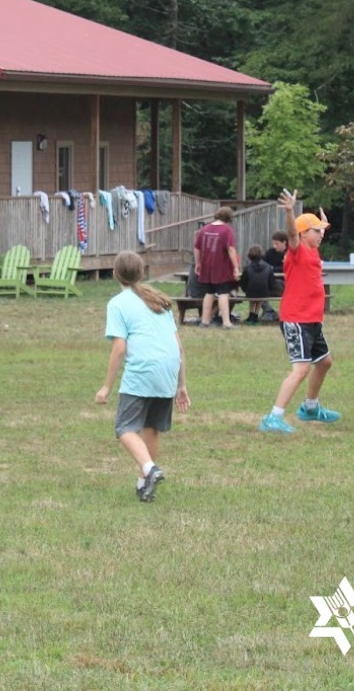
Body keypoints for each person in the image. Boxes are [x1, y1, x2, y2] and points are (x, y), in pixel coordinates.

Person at [95, 251, 189, 503]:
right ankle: (143, 485)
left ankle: (149, 469)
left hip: (143, 371)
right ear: (141, 273)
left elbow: (119, 348)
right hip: (168, 370)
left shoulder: (117, 303)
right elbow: (179, 347)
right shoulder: (159, 300)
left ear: (115, 274)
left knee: (124, 428)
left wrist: (106, 386)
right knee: (151, 427)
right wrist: (182, 385)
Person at [259, 190, 340, 433]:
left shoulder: (312, 249)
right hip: (296, 319)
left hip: (312, 320)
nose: (321, 235)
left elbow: (312, 230)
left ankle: (310, 408)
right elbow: (293, 233)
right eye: (316, 232)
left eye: (321, 232)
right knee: (302, 368)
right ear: (304, 234)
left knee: (324, 362)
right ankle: (273, 417)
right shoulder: (296, 250)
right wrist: (289, 212)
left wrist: (322, 223)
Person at [193, 207, 241, 329]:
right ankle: (226, 323)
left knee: (209, 293)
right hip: (221, 267)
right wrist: (236, 267)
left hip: (207, 266)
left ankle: (204, 321)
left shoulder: (204, 229)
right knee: (223, 293)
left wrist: (198, 263)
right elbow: (231, 249)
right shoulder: (227, 230)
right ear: (229, 219)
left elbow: (197, 247)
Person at [240, 244, 278, 324]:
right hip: (264, 292)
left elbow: (243, 282)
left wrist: (245, 289)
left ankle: (251, 315)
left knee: (253, 295)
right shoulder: (268, 267)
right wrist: (269, 290)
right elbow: (272, 282)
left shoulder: (247, 268)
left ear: (249, 255)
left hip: (250, 292)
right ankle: (255, 315)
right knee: (260, 295)